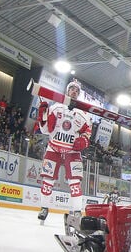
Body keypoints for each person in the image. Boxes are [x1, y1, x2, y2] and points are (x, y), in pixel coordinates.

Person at [35, 80, 92, 225]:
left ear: (78, 94)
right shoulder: (56, 108)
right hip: (53, 147)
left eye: (76, 90)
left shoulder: (83, 114)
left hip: (72, 152)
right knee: (48, 181)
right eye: (71, 89)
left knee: (75, 184)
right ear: (67, 91)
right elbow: (45, 130)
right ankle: (44, 208)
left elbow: (87, 132)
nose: (74, 91)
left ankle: (77, 212)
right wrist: (42, 116)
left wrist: (84, 141)